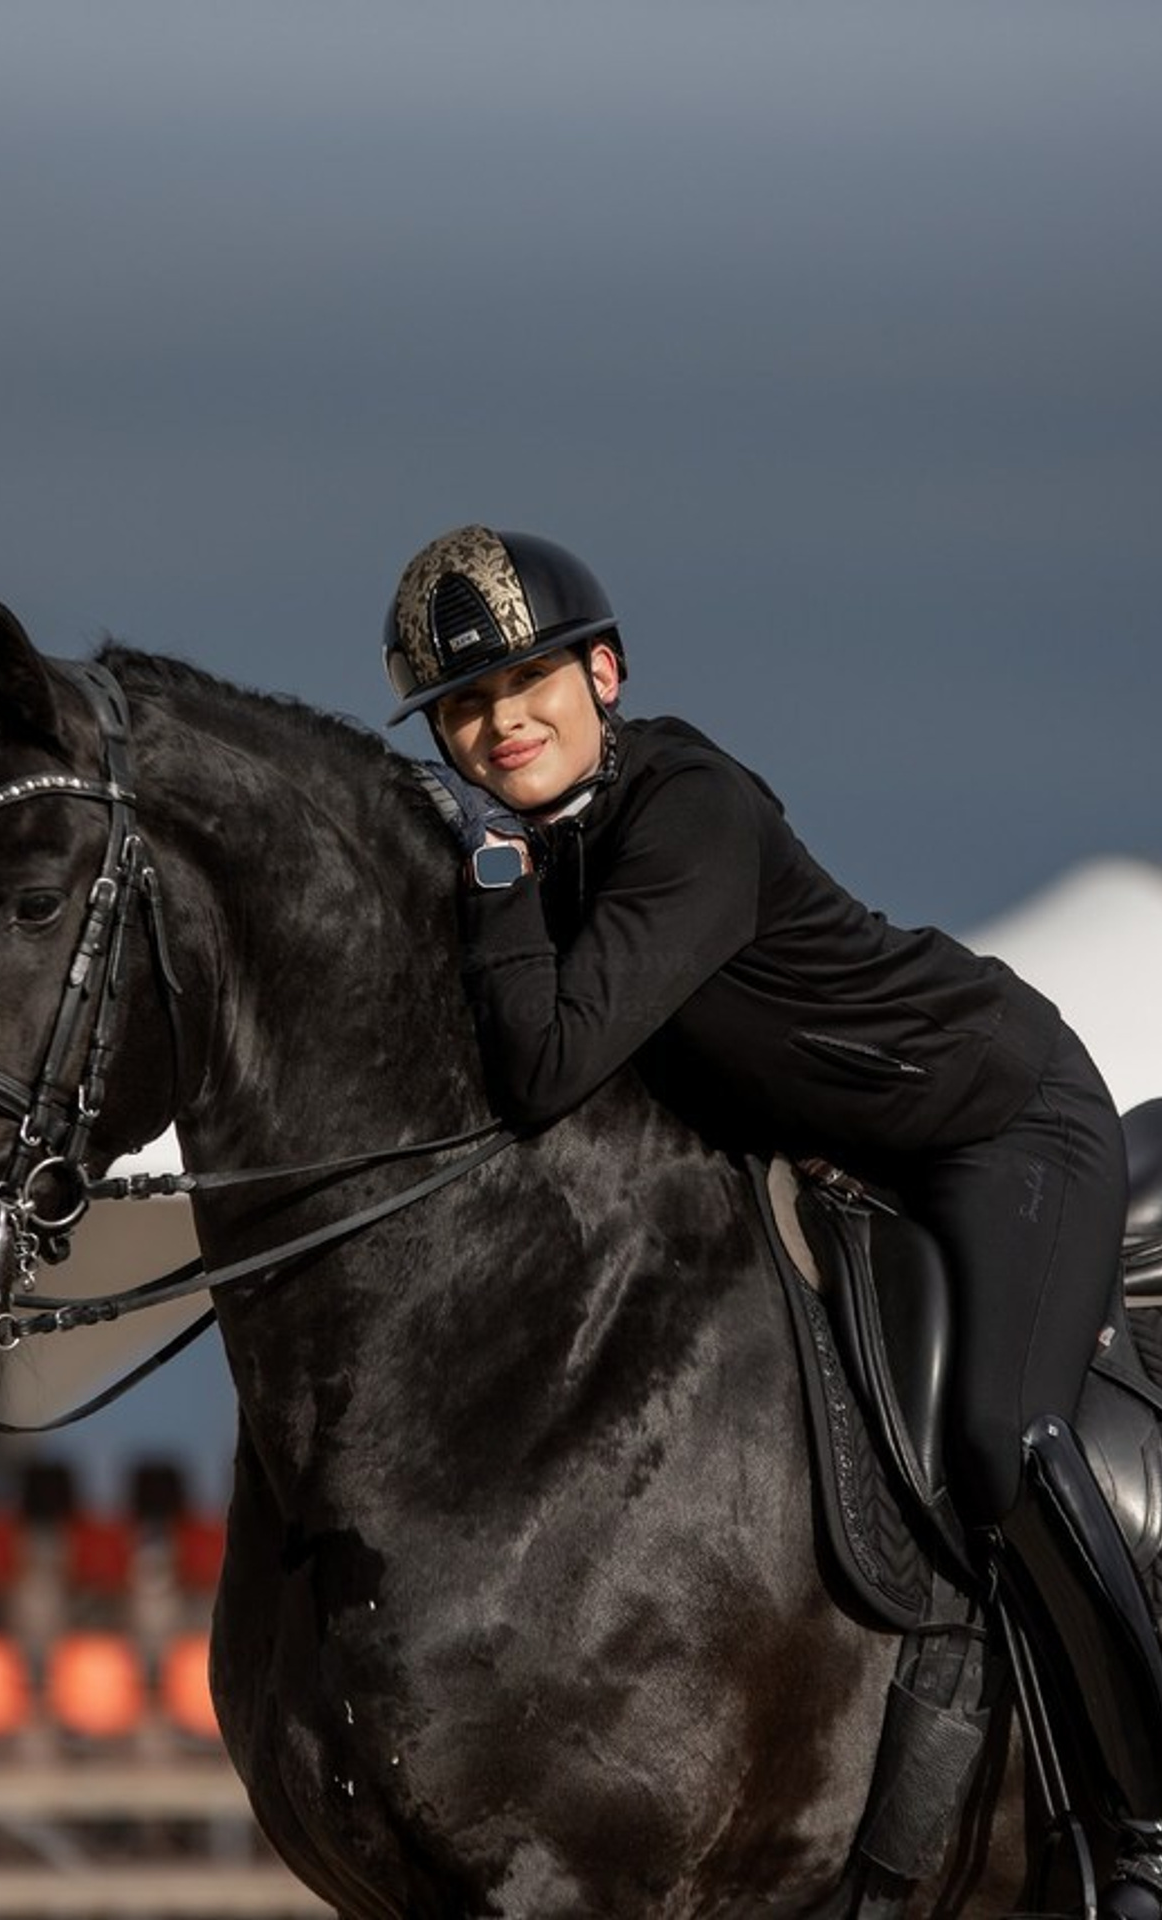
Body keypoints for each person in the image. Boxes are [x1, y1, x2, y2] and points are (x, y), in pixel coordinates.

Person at [382, 522, 1162, 1915]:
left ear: (604, 672)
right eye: (465, 705)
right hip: (849, 1166)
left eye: (529, 684)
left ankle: (1153, 1819)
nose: (501, 724)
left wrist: (489, 886)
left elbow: (550, 1063)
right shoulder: (550, 854)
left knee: (1008, 1443)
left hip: (999, 1123)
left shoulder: (686, 809)